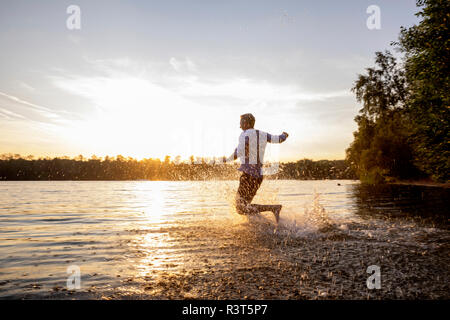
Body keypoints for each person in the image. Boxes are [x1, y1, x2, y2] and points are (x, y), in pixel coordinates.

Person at [223, 113, 288, 223]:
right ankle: (262, 222)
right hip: (258, 177)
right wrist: (284, 135)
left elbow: (238, 152)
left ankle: (272, 209)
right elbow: (278, 139)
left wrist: (226, 159)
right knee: (245, 206)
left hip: (248, 176)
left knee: (240, 208)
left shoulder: (245, 134)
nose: (239, 126)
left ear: (246, 123)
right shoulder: (262, 134)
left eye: (241, 124)